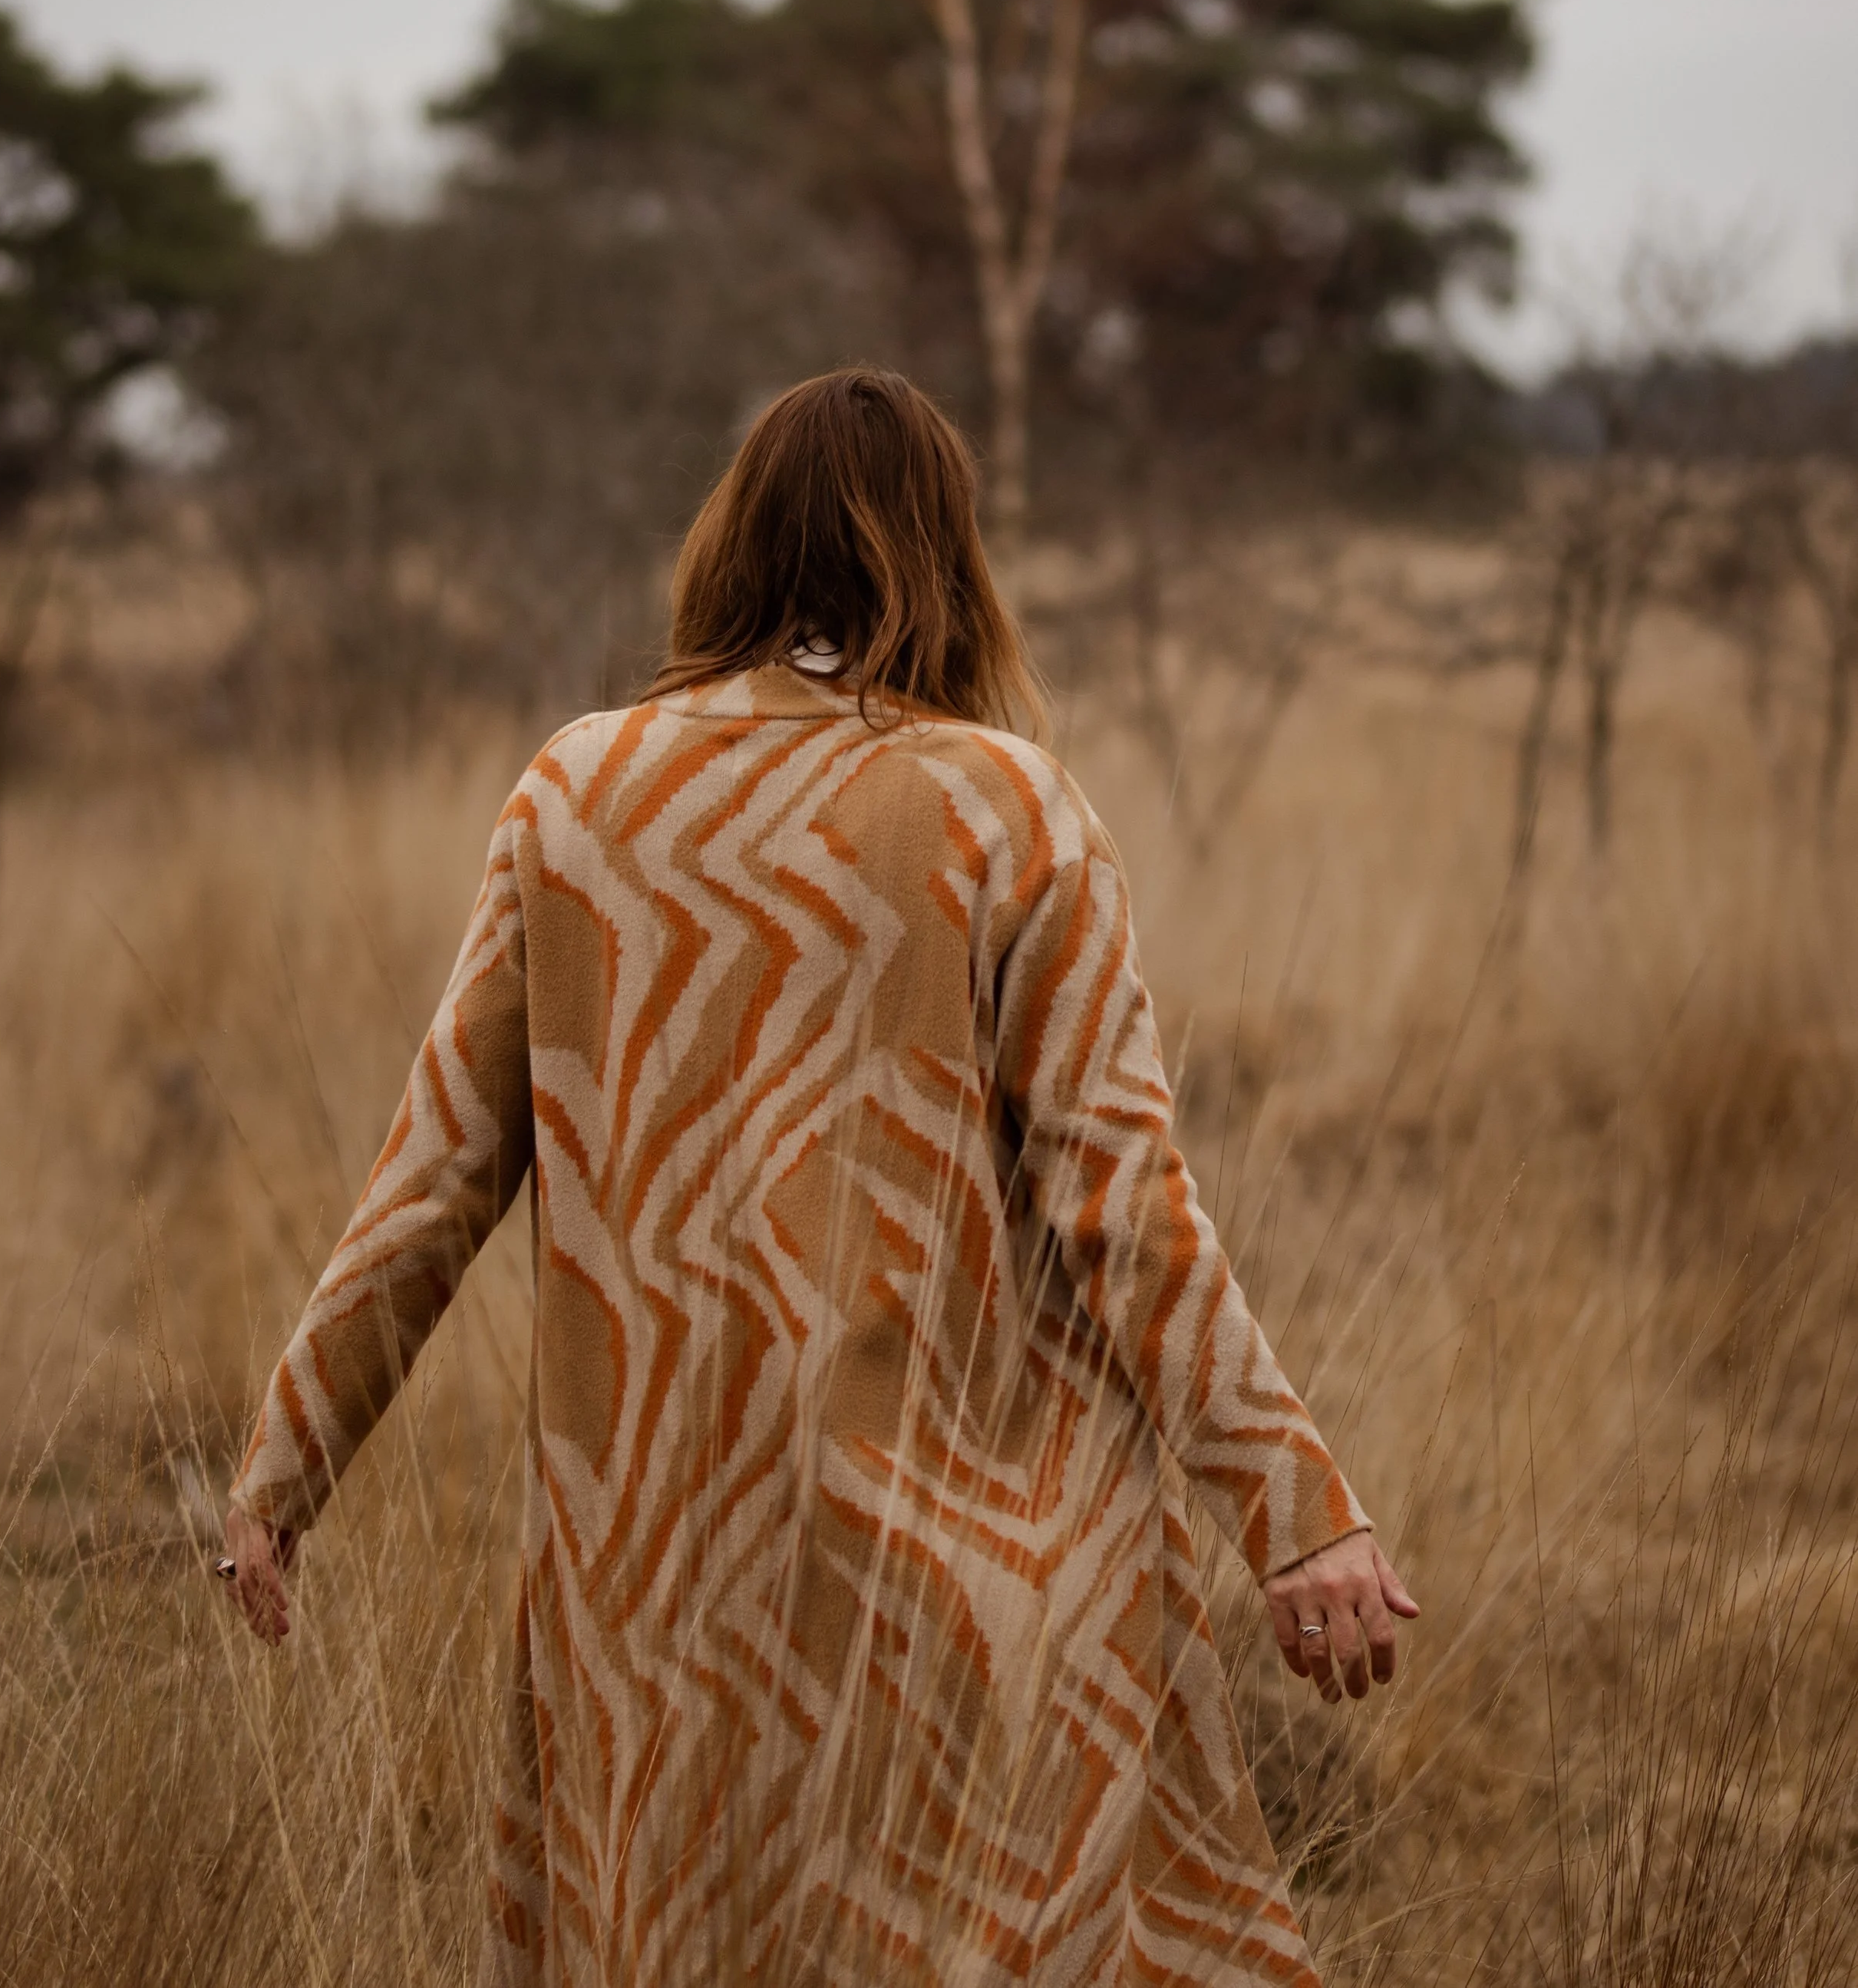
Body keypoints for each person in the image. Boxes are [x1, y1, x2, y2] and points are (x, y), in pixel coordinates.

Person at [225, 367, 1415, 1986]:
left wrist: (283, 1467)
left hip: (653, 1592)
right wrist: (1296, 1514)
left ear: (730, 542)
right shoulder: (1004, 804)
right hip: (962, 1580)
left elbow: (432, 1177)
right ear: (945, 556)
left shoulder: (572, 795)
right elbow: (1127, 1203)